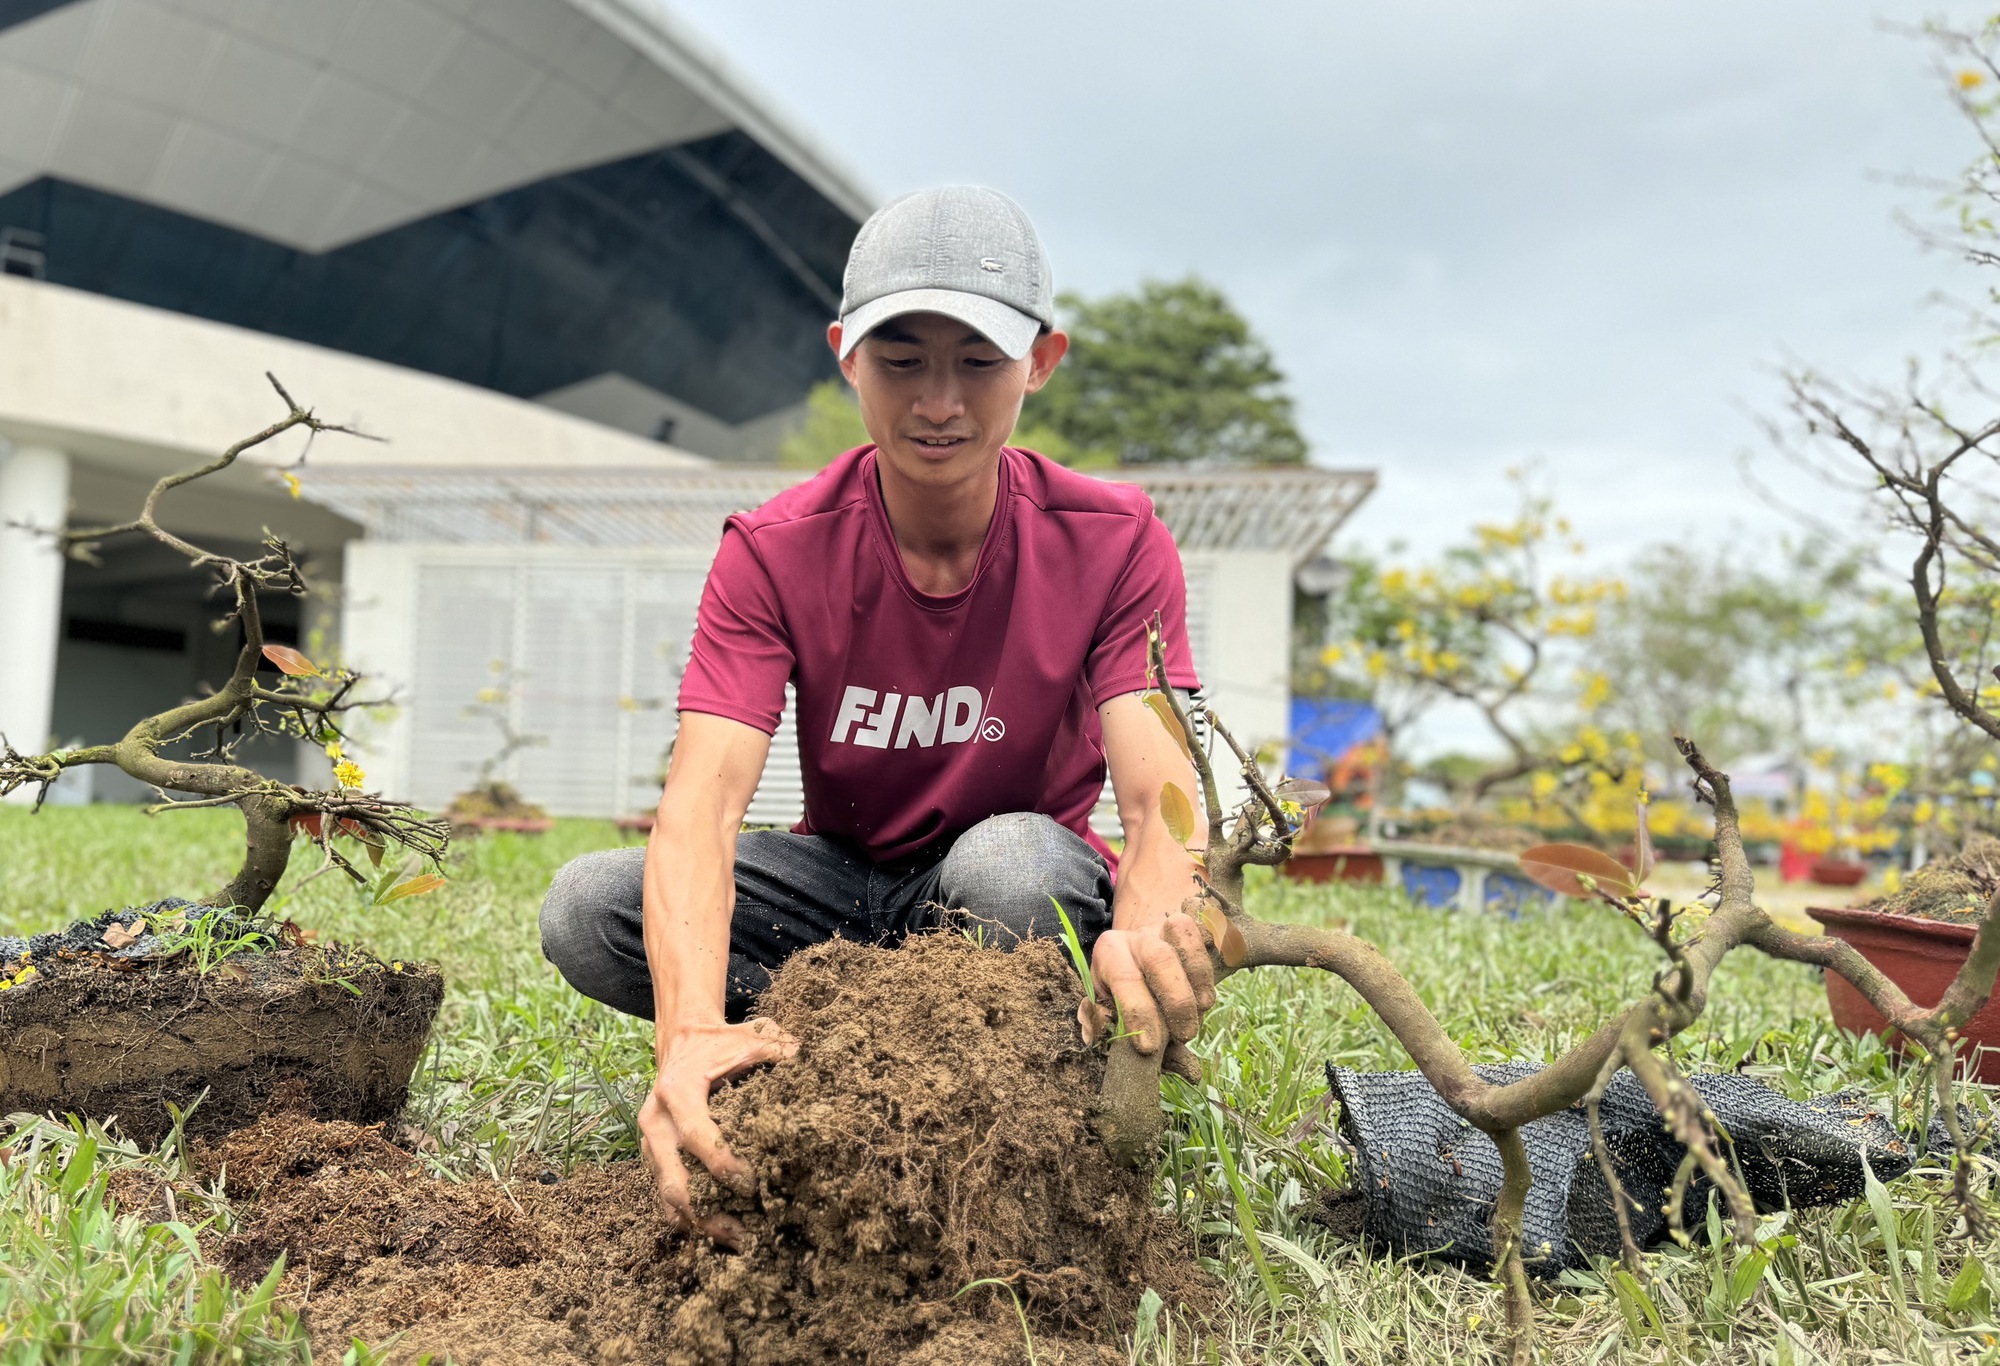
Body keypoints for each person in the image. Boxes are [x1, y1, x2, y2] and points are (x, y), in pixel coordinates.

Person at [539, 186, 1217, 1236]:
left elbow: (1159, 791)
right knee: (588, 908)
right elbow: (702, 805)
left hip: (1010, 897)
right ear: (846, 356)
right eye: (900, 361)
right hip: (845, 891)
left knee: (1013, 868)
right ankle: (826, 1046)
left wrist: (1143, 938)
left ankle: (1013, 1082)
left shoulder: (1114, 539)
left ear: (1040, 360)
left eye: (977, 362)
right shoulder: (774, 548)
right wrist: (686, 1031)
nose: (937, 402)